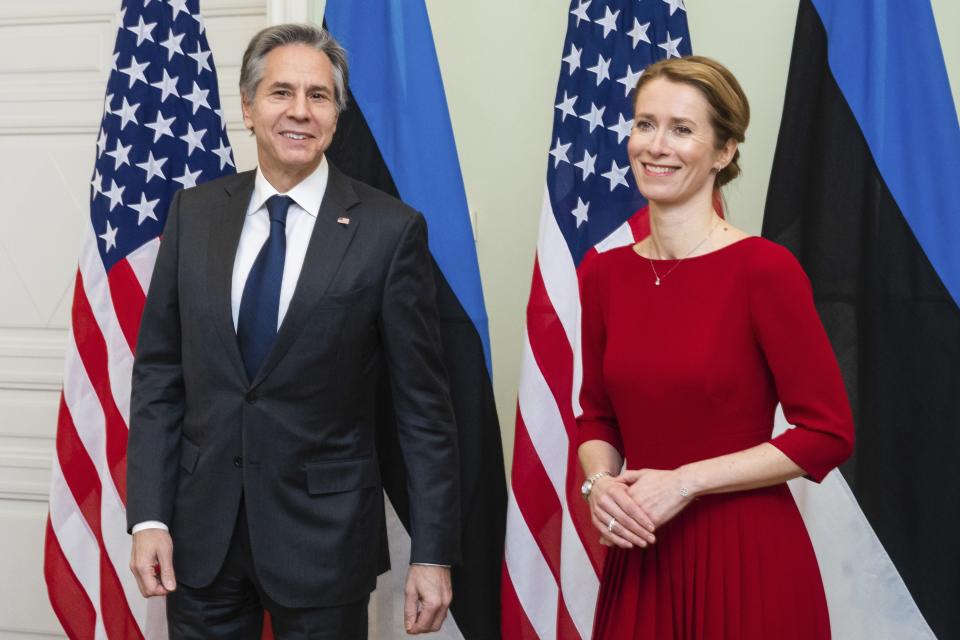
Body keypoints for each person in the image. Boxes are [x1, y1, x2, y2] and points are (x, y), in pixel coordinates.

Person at [126, 24, 460, 639]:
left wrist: (433, 553)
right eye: (281, 92)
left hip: (324, 543)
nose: (300, 112)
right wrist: (148, 515)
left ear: (337, 113)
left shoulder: (389, 232)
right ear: (249, 108)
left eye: (319, 95)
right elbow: (158, 376)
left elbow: (423, 411)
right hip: (202, 540)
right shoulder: (193, 215)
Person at [576, 56, 854, 639]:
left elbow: (827, 431)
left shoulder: (764, 269)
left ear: (723, 152)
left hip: (747, 558)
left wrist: (684, 481)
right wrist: (600, 485)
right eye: (645, 124)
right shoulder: (603, 275)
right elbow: (597, 417)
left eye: (682, 129)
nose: (656, 146)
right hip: (642, 558)